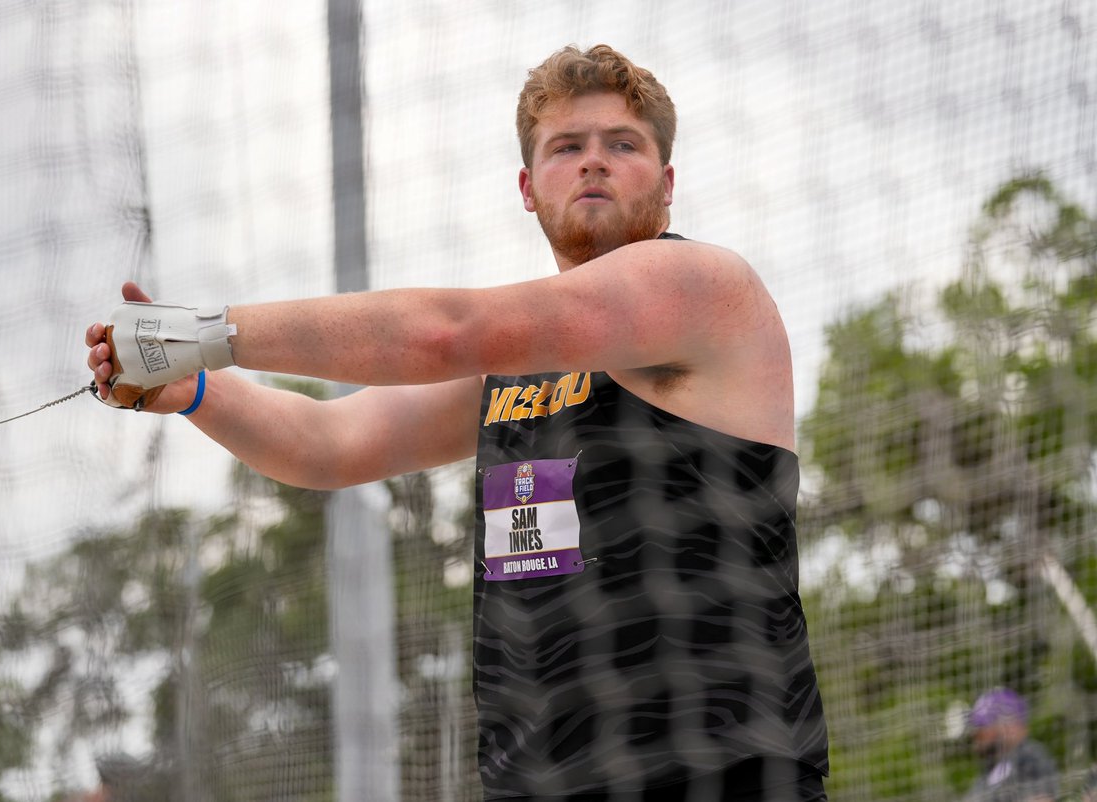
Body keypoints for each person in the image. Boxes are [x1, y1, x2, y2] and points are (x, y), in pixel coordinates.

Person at [85, 44, 828, 802]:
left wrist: (206, 330)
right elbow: (329, 444)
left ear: (667, 186)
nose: (594, 162)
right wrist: (198, 387)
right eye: (567, 147)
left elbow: (447, 330)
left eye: (623, 145)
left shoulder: (702, 287)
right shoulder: (516, 368)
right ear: (528, 188)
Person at [963, 688, 1057, 802]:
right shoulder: (990, 770)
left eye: (983, 724)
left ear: (1010, 725)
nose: (976, 733)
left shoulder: (1029, 757)